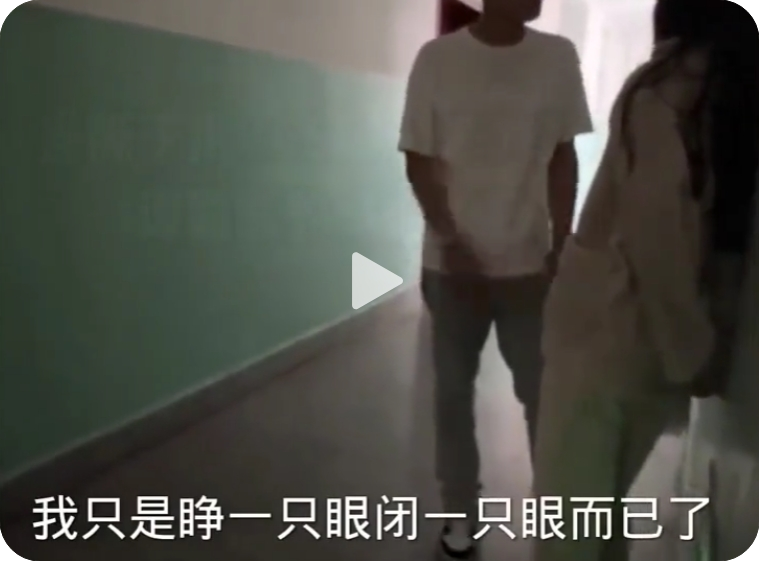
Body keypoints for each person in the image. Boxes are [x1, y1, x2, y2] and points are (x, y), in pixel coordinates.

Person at [530, 0, 758, 559]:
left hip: (607, 342)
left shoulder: (662, 95)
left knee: (571, 528)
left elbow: (658, 243)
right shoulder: (719, 101)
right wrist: (701, 346)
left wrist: (694, 354)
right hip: (644, 354)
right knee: (599, 515)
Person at [398, 0, 592, 557]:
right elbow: (418, 157)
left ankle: (556, 511)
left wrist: (562, 239)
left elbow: (562, 155)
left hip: (529, 264)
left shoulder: (557, 57)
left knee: (543, 394)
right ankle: (461, 511)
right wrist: (449, 236)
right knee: (452, 394)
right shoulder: (438, 59)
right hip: (452, 266)